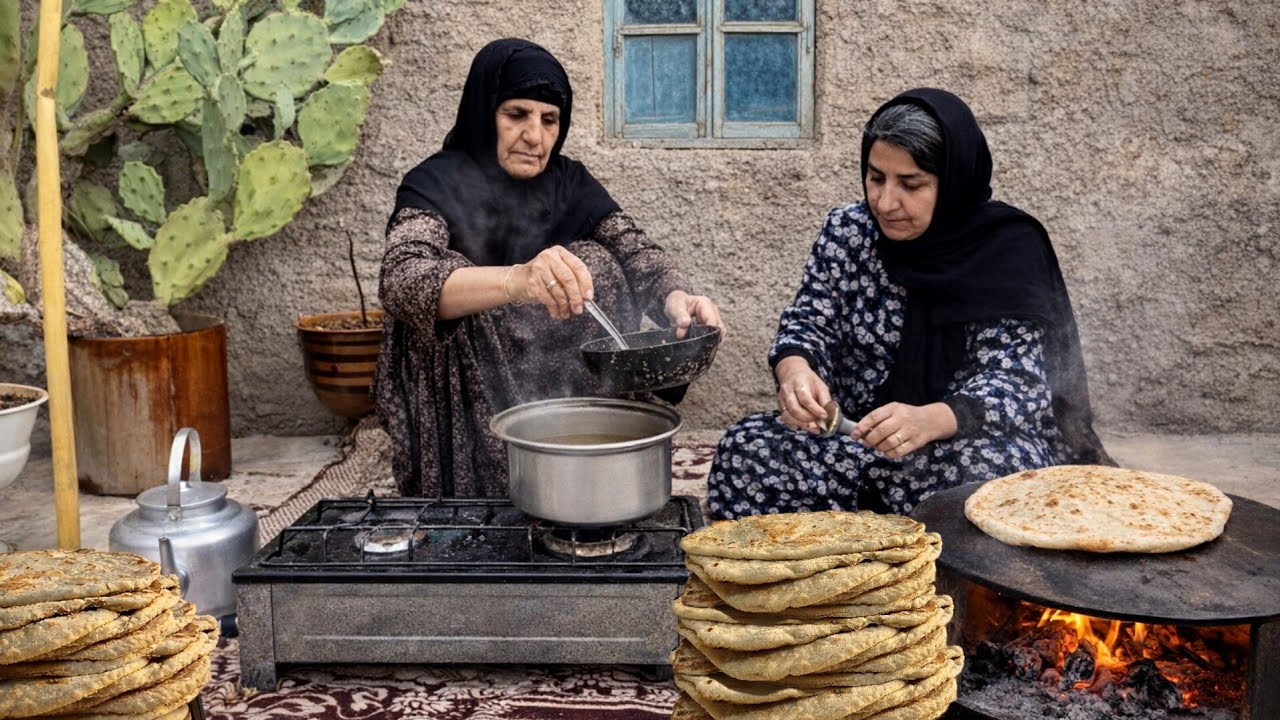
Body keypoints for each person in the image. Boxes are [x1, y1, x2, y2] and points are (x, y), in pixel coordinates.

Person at [707, 88, 1111, 520]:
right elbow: (809, 323)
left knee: (1006, 480)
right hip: (853, 436)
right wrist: (796, 373)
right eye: (876, 177)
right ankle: (880, 530)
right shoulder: (849, 231)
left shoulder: (1008, 250)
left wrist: (930, 420)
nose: (885, 202)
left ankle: (875, 528)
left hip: (960, 445)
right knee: (743, 449)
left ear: (953, 180)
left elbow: (1016, 383)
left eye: (911, 184)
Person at [375, 38, 722, 498]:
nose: (535, 136)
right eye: (516, 114)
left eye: (549, 119)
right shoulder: (436, 183)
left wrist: (678, 297)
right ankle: (479, 477)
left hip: (551, 372)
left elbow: (635, 250)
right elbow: (402, 278)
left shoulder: (569, 182)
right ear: (484, 113)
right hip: (468, 383)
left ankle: (581, 447)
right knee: (456, 287)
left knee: (596, 261)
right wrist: (515, 280)